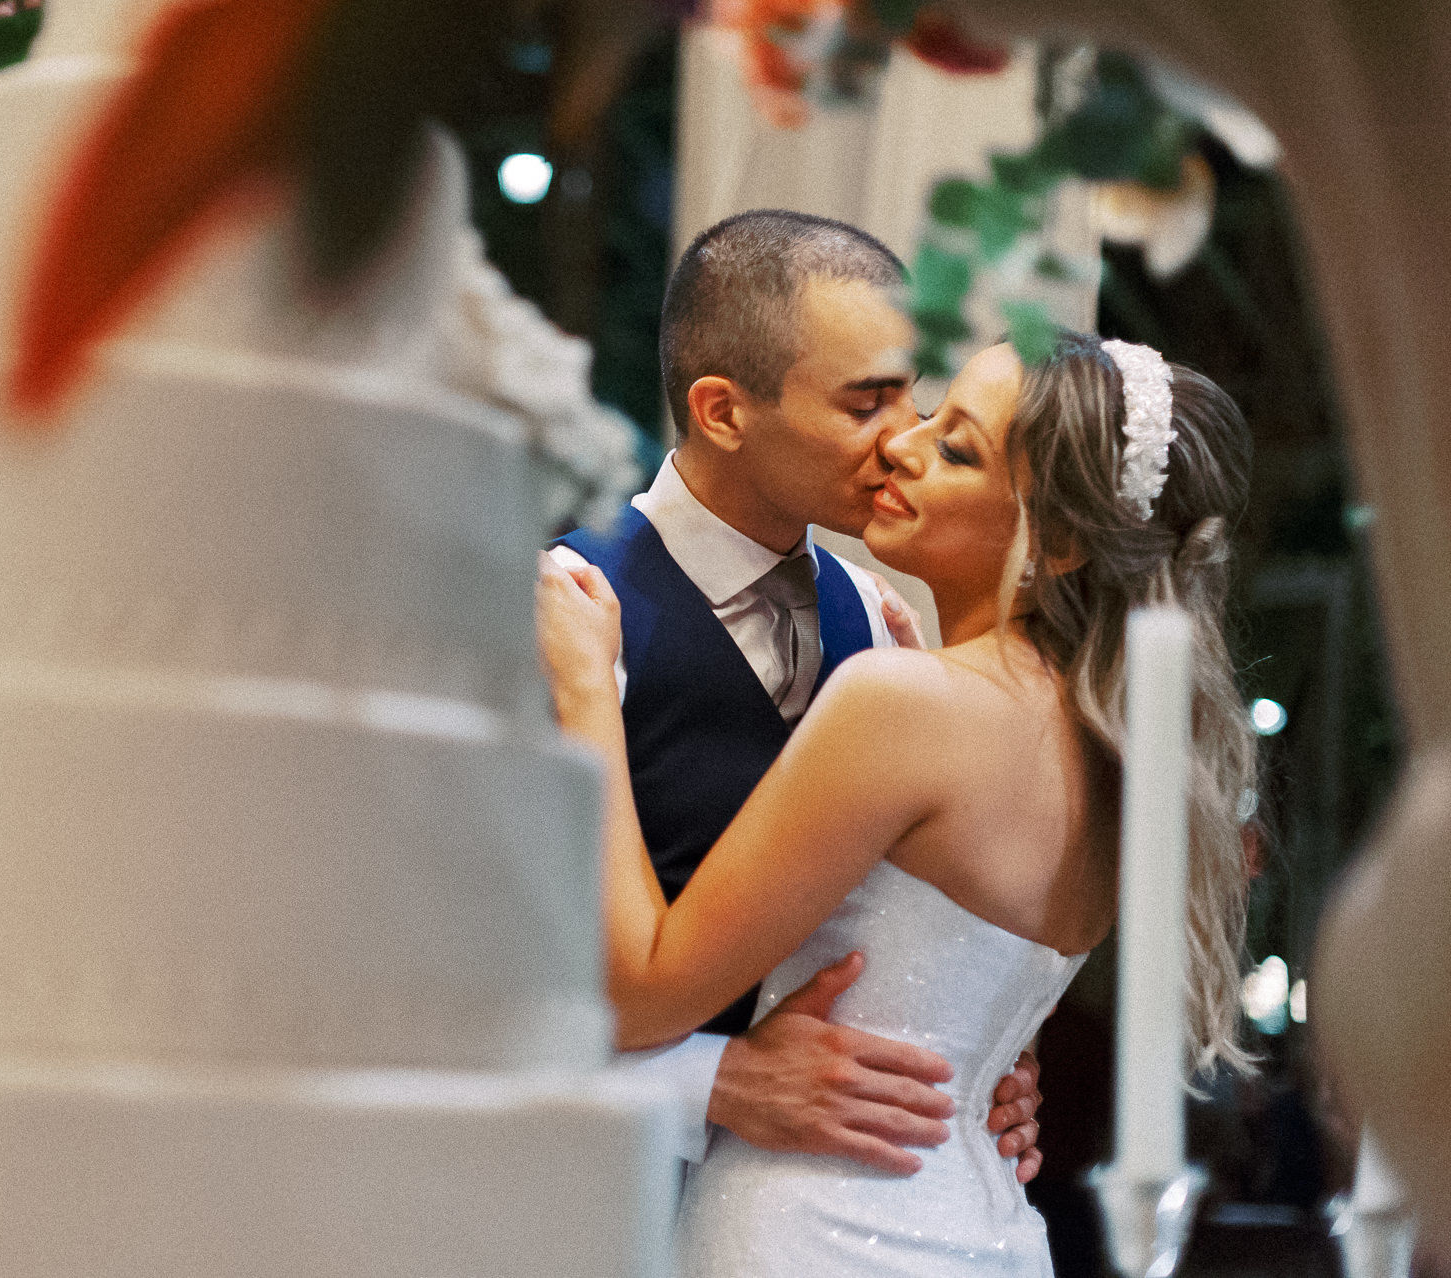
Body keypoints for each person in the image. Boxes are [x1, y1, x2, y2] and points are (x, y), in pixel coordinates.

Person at [538, 331, 1256, 1276]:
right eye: (929, 414)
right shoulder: (1113, 752)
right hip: (989, 1224)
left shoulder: (905, 703)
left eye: (956, 448)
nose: (901, 447)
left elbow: (637, 992)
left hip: (812, 1229)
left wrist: (587, 689)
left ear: (1064, 544)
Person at [553, 210, 1043, 1177]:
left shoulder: (876, 614)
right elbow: (432, 991)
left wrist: (971, 1053)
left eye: (913, 399)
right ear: (723, 412)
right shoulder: (565, 610)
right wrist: (714, 1081)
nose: (905, 444)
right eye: (866, 406)